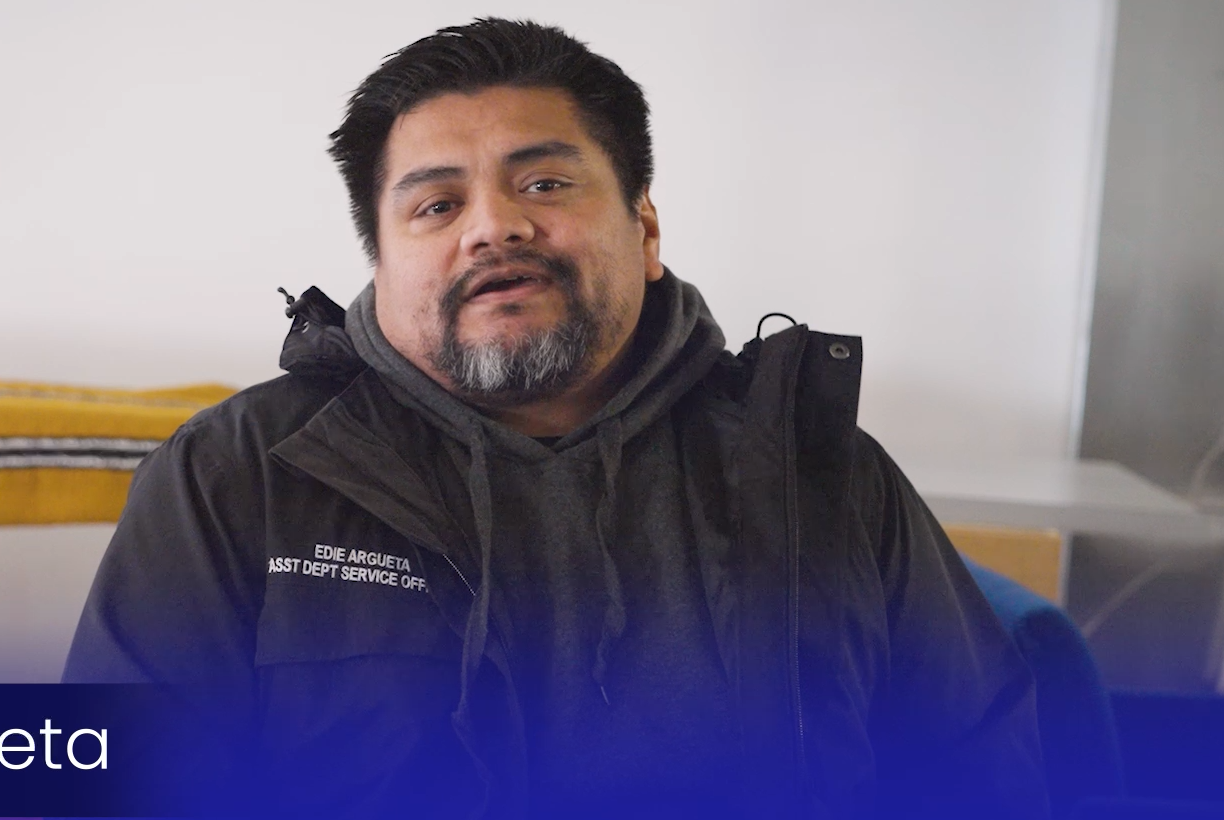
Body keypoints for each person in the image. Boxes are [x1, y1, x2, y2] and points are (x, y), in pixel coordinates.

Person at [64, 17, 1047, 819]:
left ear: (646, 229)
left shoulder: (815, 472)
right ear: (384, 264)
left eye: (544, 183)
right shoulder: (237, 474)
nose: (494, 225)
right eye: (435, 206)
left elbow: (982, 769)